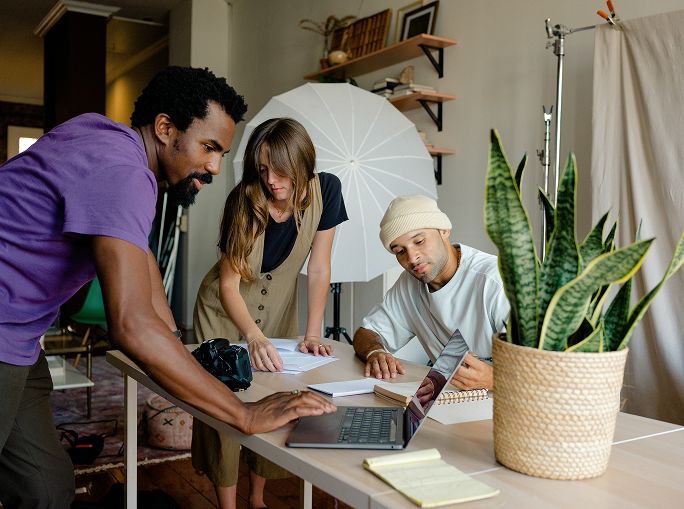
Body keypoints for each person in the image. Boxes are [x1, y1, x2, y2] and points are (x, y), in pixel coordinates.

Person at [0, 68, 335, 509]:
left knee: (45, 488)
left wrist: (176, 345)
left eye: (221, 153)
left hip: (19, 338)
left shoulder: (102, 138)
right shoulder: (125, 174)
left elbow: (143, 261)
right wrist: (243, 413)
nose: (215, 167)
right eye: (208, 147)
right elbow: (131, 326)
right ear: (165, 129)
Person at [192, 117, 348, 509]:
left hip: (279, 309)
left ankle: (257, 500)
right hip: (224, 313)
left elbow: (319, 268)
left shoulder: (327, 190)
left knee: (277, 397)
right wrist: (253, 336)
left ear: (301, 163)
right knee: (226, 403)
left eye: (279, 170)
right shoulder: (243, 200)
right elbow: (228, 285)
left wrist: (313, 333)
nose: (271, 180)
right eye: (262, 170)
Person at [352, 194, 509, 391]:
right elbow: (366, 333)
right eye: (400, 251)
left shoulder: (496, 281)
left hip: (508, 402)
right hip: (448, 400)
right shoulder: (409, 284)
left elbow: (544, 369)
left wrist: (494, 380)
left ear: (444, 230)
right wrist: (375, 352)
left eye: (419, 241)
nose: (412, 257)